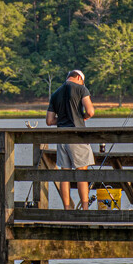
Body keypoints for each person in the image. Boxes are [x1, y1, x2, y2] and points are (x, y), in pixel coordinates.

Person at [46, 69, 96, 209]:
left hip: (61, 136)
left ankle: (67, 208)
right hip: (77, 136)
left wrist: (62, 119)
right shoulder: (81, 89)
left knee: (64, 174)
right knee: (81, 172)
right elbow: (91, 111)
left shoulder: (56, 93)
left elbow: (49, 121)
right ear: (79, 78)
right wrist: (83, 117)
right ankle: (85, 209)